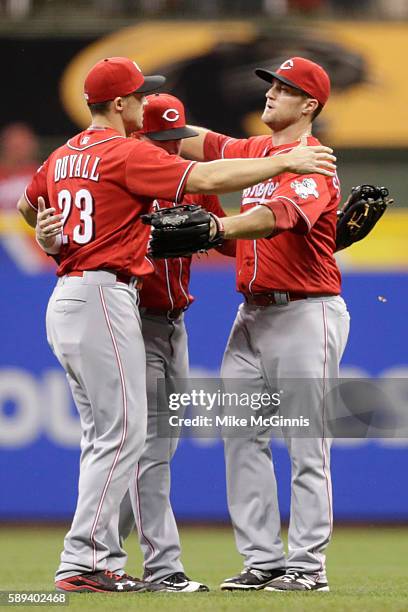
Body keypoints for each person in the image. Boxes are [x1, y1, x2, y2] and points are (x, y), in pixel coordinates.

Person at [17, 56, 336, 594]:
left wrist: (50, 233)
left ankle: (113, 563)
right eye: (140, 97)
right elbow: (209, 171)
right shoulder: (126, 152)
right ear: (119, 104)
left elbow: (31, 207)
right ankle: (88, 563)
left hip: (85, 296)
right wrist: (286, 165)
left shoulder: (65, 153)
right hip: (106, 297)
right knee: (125, 436)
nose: (144, 108)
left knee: (117, 436)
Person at [180, 56, 350, 592]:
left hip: (306, 312)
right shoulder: (258, 151)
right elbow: (200, 142)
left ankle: (307, 566)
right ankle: (264, 560)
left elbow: (270, 219)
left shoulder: (315, 161)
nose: (273, 92)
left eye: (286, 87)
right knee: (242, 438)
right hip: (251, 314)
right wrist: (140, 120)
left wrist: (212, 225)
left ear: (310, 105)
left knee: (306, 445)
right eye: (272, 84)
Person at [102, 93, 235, 593]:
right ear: (139, 137)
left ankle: (97, 556)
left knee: (157, 449)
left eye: (177, 140)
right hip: (132, 320)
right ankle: (164, 568)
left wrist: (310, 237)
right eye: (160, 140)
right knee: (150, 451)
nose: (171, 149)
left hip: (174, 323)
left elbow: (232, 239)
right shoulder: (126, 180)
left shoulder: (190, 185)